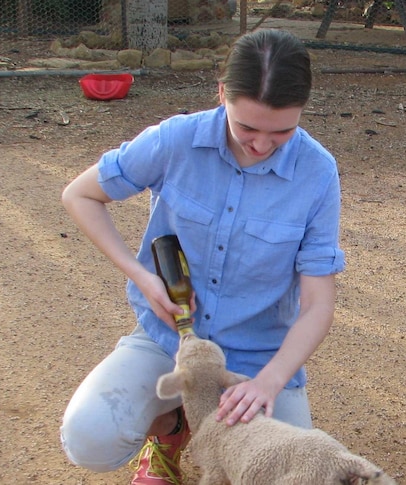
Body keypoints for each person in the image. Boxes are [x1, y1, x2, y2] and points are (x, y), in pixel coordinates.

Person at [59, 29, 345, 485]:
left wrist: (269, 381)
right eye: (247, 127)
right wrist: (141, 275)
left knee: (297, 476)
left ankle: (205, 418)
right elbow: (80, 195)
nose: (261, 145)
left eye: (282, 131)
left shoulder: (317, 172)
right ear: (221, 95)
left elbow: (317, 304)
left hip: (257, 355)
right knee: (89, 437)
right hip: (167, 341)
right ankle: (172, 428)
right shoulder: (176, 139)